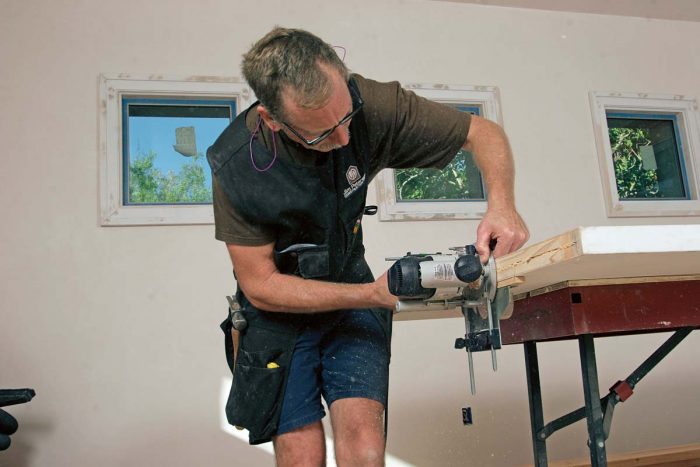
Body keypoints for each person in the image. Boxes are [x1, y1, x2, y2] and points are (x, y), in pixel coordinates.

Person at [207, 26, 529, 467]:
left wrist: (503, 206)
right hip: (277, 313)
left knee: (363, 446)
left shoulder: (372, 104)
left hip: (350, 283)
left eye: (346, 119)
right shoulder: (236, 164)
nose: (342, 140)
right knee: (301, 454)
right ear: (272, 119)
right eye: (320, 135)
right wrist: (370, 295)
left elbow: (484, 133)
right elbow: (261, 285)